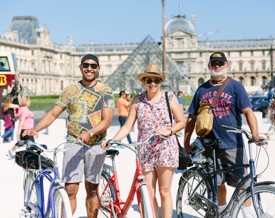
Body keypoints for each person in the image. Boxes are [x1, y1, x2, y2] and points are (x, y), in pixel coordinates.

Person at [23, 54, 115, 218]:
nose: (89, 68)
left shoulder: (106, 91)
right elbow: (52, 114)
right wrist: (35, 129)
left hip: (96, 145)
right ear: (80, 67)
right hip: (73, 144)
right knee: (70, 189)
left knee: (92, 189)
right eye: (86, 65)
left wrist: (91, 133)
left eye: (93, 66)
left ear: (98, 69)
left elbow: (107, 121)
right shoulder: (70, 91)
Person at [184, 52, 265, 217]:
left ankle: (247, 214)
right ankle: (223, 213)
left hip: (233, 144)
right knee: (218, 184)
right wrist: (186, 143)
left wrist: (255, 135)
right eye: (214, 63)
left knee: (243, 183)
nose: (217, 66)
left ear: (226, 66)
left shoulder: (235, 86)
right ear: (209, 66)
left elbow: (248, 112)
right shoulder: (202, 89)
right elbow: (191, 118)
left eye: (220, 63)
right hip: (209, 145)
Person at [102, 64, 185, 218]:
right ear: (144, 81)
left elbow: (181, 121)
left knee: (164, 190)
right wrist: (112, 140)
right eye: (149, 80)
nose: (152, 83)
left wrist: (170, 130)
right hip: (145, 150)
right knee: (149, 191)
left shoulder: (170, 97)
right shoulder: (137, 100)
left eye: (156, 80)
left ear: (160, 81)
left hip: (166, 148)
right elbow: (127, 127)